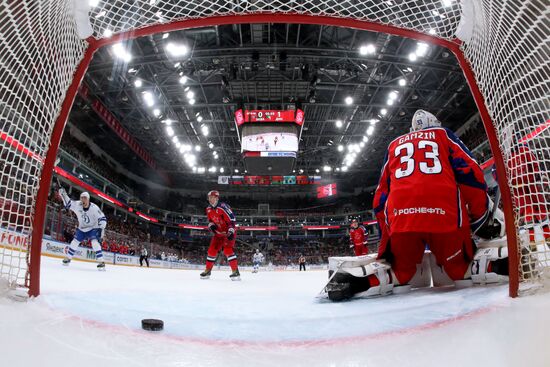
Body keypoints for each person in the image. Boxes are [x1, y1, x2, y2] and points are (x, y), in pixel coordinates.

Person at [326, 110, 506, 301]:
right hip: (444, 217)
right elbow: (471, 173)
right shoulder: (443, 135)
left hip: (403, 221)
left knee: (401, 272)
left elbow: (380, 199)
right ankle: (498, 266)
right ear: (435, 123)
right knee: (460, 269)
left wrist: (385, 243)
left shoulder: (393, 145)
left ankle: (358, 281)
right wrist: (480, 217)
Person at [58, 188, 107, 270]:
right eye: (82, 198)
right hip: (82, 228)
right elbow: (68, 204)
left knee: (94, 242)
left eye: (85, 198)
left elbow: (102, 218)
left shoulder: (94, 208)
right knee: (74, 242)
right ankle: (68, 258)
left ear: (88, 199)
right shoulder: (77, 204)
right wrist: (63, 194)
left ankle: (101, 261)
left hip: (92, 228)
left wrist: (102, 228)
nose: (83, 200)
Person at [200, 190, 240, 280]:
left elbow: (232, 220)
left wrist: (230, 231)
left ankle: (235, 272)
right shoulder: (208, 209)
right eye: (209, 198)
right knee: (211, 251)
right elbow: (210, 221)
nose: (210, 199)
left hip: (228, 232)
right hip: (218, 233)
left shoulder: (223, 207)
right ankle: (207, 271)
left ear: (217, 198)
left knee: (227, 250)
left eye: (212, 197)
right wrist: (212, 227)